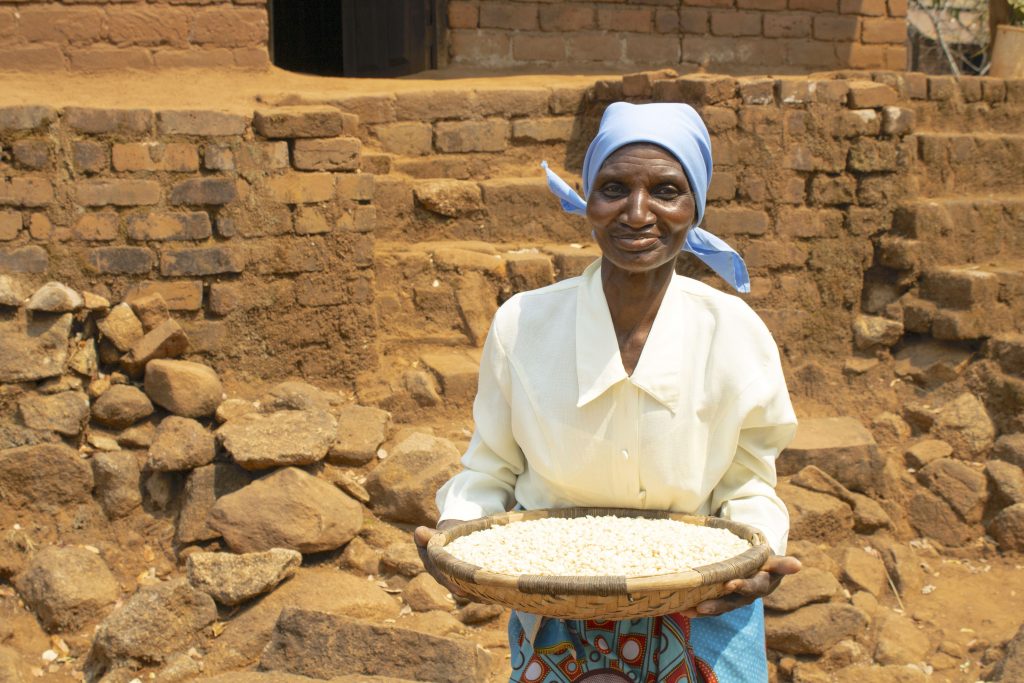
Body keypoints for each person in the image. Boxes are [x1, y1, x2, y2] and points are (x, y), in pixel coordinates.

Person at [414, 101, 801, 682]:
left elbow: (748, 484)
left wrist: (760, 554)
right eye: (614, 188)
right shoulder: (524, 325)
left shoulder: (735, 333)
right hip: (559, 610)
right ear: (587, 202)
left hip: (703, 605)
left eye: (667, 191)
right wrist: (457, 532)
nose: (638, 214)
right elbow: (490, 468)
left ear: (695, 208)